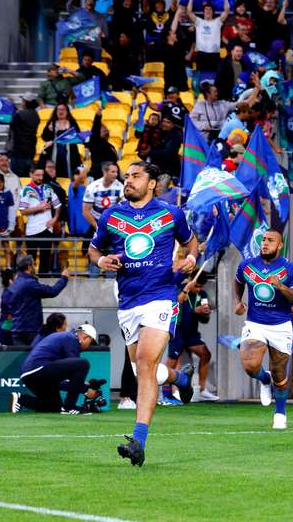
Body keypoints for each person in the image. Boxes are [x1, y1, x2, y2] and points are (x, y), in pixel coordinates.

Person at [88, 161, 199, 466]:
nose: (129, 181)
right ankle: (180, 378)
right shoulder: (111, 215)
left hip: (160, 297)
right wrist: (102, 261)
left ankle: (139, 440)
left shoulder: (171, 213)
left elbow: (192, 241)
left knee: (145, 365)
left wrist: (190, 258)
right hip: (128, 301)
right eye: (127, 177)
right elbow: (93, 249)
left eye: (136, 176)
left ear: (152, 183)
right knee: (142, 370)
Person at [234, 228, 293, 429]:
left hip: (281, 325)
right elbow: (238, 280)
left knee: (279, 371)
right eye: (263, 240)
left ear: (280, 245)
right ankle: (263, 379)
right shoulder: (247, 266)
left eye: (270, 240)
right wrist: (237, 301)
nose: (265, 243)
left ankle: (280, 412)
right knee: (249, 365)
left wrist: (282, 287)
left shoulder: (290, 269)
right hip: (255, 323)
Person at [10, 324, 99, 414]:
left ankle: (21, 399)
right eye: (90, 342)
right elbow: (73, 375)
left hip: (31, 375)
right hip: (37, 370)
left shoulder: (65, 338)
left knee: (54, 406)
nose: (89, 346)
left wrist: (83, 386)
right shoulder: (72, 339)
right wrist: (85, 389)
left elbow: (66, 382)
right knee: (83, 363)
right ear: (84, 336)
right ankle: (69, 407)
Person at [165, 277, 219, 403]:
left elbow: (204, 320)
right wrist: (194, 310)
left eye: (201, 287)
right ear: (190, 281)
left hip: (191, 333)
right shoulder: (181, 290)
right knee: (174, 361)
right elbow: (176, 311)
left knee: (206, 354)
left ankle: (202, 390)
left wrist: (205, 313)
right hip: (178, 330)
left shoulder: (202, 295)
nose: (199, 289)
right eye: (197, 286)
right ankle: (170, 392)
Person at [9, 254, 70, 346]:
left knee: (20, 359)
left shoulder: (15, 283)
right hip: (30, 330)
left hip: (16, 329)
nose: (35, 267)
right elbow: (52, 291)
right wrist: (64, 278)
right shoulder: (30, 283)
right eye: (34, 264)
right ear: (29, 267)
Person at [82, 161, 123, 278]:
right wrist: (97, 227)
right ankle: (92, 279)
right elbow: (85, 211)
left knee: (112, 252)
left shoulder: (120, 187)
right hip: (96, 224)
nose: (116, 174)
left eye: (116, 172)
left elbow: (122, 210)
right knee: (95, 251)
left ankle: (111, 278)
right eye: (112, 171)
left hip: (112, 226)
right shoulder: (92, 187)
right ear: (105, 172)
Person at [18, 167, 62, 275]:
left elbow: (58, 205)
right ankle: (30, 282)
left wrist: (55, 219)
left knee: (45, 259)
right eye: (37, 175)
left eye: (42, 175)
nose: (40, 178)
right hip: (32, 230)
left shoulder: (48, 188)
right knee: (30, 260)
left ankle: (43, 283)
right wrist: (39, 208)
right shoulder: (26, 190)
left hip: (47, 228)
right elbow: (23, 211)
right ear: (31, 174)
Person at [0, 268, 15, 346]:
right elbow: (10, 314)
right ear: (10, 281)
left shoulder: (7, 293)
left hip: (5, 327)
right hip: (7, 329)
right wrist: (7, 329)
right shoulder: (9, 294)